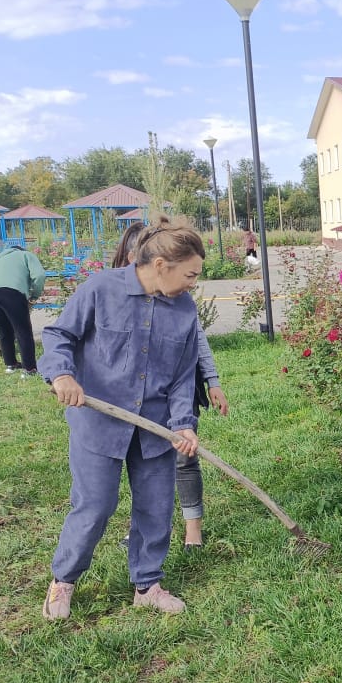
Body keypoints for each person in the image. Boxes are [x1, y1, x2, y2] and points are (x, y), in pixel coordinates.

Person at [39, 215, 205, 620]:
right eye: (190, 273)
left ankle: (147, 585)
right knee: (95, 505)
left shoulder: (183, 309)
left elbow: (184, 374)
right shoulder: (100, 288)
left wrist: (183, 424)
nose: (193, 282)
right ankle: (63, 581)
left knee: (155, 506)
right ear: (162, 264)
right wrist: (62, 373)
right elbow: (59, 335)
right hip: (100, 423)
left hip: (155, 427)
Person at [111, 221, 230, 550]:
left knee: (183, 457)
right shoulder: (118, 291)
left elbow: (197, 339)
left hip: (178, 389)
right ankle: (140, 526)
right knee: (139, 461)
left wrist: (212, 380)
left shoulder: (178, 298)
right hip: (134, 394)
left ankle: (193, 529)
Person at [0, 244, 47, 378]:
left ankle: (10, 364)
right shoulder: (26, 255)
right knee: (23, 331)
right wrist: (34, 295)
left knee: (4, 330)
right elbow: (40, 275)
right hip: (11, 292)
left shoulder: (1, 259)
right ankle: (30, 369)